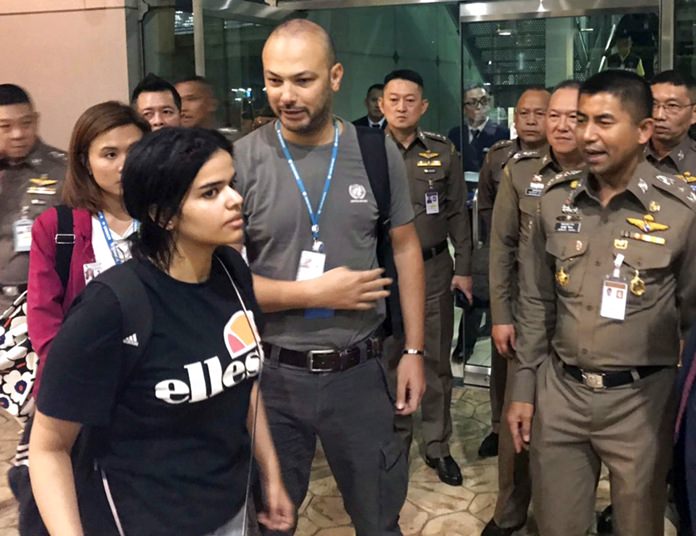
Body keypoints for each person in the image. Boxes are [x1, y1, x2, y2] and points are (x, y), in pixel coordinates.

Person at [28, 128, 294, 535]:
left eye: (232, 184)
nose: (235, 199)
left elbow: (242, 379)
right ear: (163, 214)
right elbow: (49, 447)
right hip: (143, 517)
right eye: (211, 192)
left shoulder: (231, 271)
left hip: (230, 506)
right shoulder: (111, 308)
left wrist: (270, 473)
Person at [233, 19, 425, 535]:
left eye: (303, 80)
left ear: (335, 77)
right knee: (271, 520)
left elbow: (406, 249)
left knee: (378, 517)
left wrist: (413, 352)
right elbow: (224, 284)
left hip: (360, 372)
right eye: (274, 80)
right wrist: (315, 292)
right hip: (270, 377)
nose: (286, 95)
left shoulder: (373, 151)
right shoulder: (240, 161)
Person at [507, 69, 696, 536]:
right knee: (558, 525)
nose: (586, 134)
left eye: (604, 122)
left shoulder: (682, 212)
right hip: (561, 393)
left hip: (642, 401)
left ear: (643, 131)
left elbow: (693, 321)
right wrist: (523, 390)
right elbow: (535, 304)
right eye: (580, 119)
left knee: (638, 525)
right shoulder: (553, 201)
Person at [483, 81, 584, 536]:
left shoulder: (603, 173)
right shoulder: (520, 171)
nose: (562, 126)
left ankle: (560, 516)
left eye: (574, 117)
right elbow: (501, 247)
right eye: (554, 116)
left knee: (567, 430)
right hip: (525, 318)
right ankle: (509, 513)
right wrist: (500, 315)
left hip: (581, 322)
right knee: (515, 421)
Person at [379, 68, 471, 486]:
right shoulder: (362, 150)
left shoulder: (443, 150)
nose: (401, 107)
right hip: (380, 272)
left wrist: (464, 267)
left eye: (409, 100)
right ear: (381, 103)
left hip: (434, 268)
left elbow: (457, 213)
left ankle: (436, 444)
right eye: (393, 99)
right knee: (388, 358)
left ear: (424, 106)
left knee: (433, 358)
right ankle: (394, 442)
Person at [474, 86, 550, 460]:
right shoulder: (499, 157)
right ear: (514, 118)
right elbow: (489, 219)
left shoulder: (574, 160)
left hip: (550, 287)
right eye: (525, 113)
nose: (532, 120)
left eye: (541, 113)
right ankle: (498, 427)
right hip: (513, 282)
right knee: (505, 367)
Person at [0, 84, 66, 312]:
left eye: (25, 123)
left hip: (36, 303)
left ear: (36, 121)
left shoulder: (63, 170)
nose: (17, 134)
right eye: (5, 127)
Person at [447, 84, 510, 172]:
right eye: (473, 102)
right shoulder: (455, 134)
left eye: (483, 101)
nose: (479, 107)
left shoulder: (502, 133)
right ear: (463, 108)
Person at [647, 70, 696, 178]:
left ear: (694, 113)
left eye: (672, 106)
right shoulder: (627, 156)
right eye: (653, 104)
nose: (659, 116)